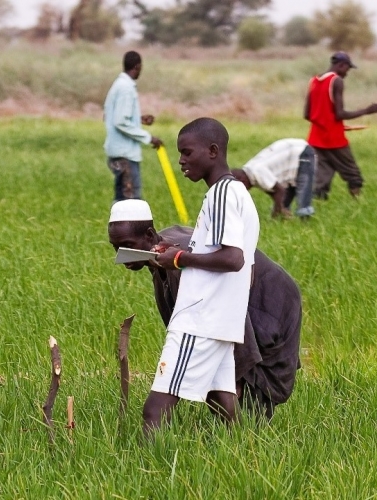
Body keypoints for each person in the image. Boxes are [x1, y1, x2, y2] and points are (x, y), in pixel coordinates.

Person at [108, 200, 301, 421]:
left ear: (150, 235)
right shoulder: (161, 251)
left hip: (270, 302)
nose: (121, 255)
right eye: (115, 248)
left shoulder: (183, 265)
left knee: (250, 394)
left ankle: (246, 433)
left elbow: (229, 314)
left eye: (127, 246)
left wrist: (236, 375)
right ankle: (236, 433)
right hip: (235, 303)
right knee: (213, 372)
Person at [140, 118, 259, 436]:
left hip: (201, 318)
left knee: (155, 410)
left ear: (213, 151)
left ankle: (146, 466)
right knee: (223, 403)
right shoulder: (237, 192)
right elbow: (242, 264)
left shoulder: (220, 195)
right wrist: (180, 251)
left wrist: (178, 259)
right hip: (222, 319)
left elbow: (233, 258)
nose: (181, 160)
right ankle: (244, 454)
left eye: (187, 152)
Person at [304, 52, 377, 200]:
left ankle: (318, 206)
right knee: (353, 174)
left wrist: (327, 123)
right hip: (334, 139)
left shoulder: (313, 81)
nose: (347, 73)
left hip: (315, 138)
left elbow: (307, 114)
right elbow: (339, 114)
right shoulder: (337, 81)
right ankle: (358, 203)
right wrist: (367, 110)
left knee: (322, 176)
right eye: (348, 68)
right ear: (341, 65)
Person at [103, 50, 163, 203]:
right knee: (131, 202)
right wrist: (149, 138)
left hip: (118, 151)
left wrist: (138, 119)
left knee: (121, 200)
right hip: (125, 154)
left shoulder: (119, 85)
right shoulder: (126, 88)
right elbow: (120, 122)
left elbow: (112, 115)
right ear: (138, 66)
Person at [230, 138, 316, 219]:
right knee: (284, 201)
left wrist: (276, 211)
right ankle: (285, 217)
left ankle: (305, 220)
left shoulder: (257, 173)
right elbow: (274, 191)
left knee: (303, 191)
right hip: (290, 160)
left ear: (243, 181)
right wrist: (280, 207)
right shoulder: (250, 173)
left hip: (301, 151)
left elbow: (280, 190)